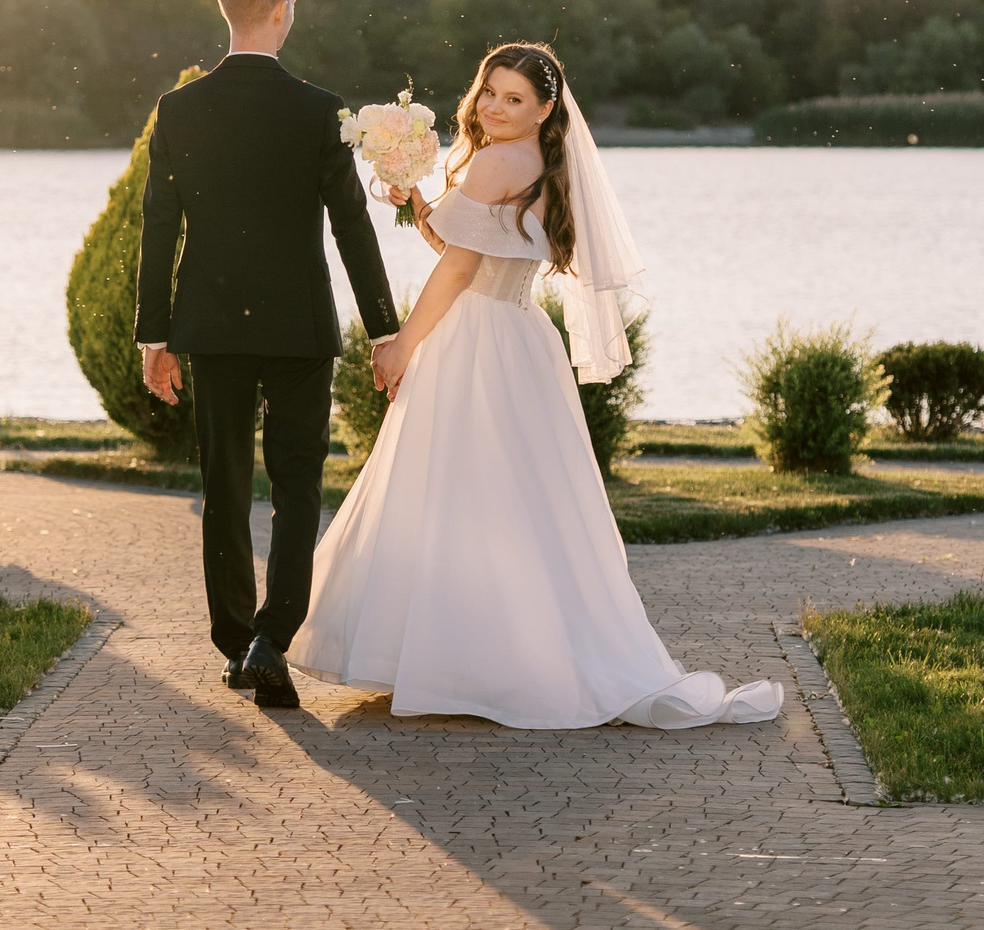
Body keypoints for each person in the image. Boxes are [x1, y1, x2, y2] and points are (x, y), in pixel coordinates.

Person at [291, 42, 783, 729]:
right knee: (519, 496)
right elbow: (474, 250)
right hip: (521, 339)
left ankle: (460, 660)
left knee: (458, 490)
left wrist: (405, 341)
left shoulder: (494, 161)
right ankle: (512, 650)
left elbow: (460, 271)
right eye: (489, 91)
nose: (493, 105)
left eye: (514, 98)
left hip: (474, 339)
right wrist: (419, 202)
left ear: (546, 109)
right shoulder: (545, 166)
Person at [134, 0, 400, 709]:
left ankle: (236, 638)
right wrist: (385, 329)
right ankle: (271, 637)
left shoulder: (178, 110)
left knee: (223, 484)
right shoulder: (319, 110)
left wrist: (154, 335)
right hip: (299, 328)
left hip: (210, 327)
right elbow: (352, 228)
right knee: (296, 482)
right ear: (282, 9)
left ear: (228, 9)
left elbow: (160, 228)